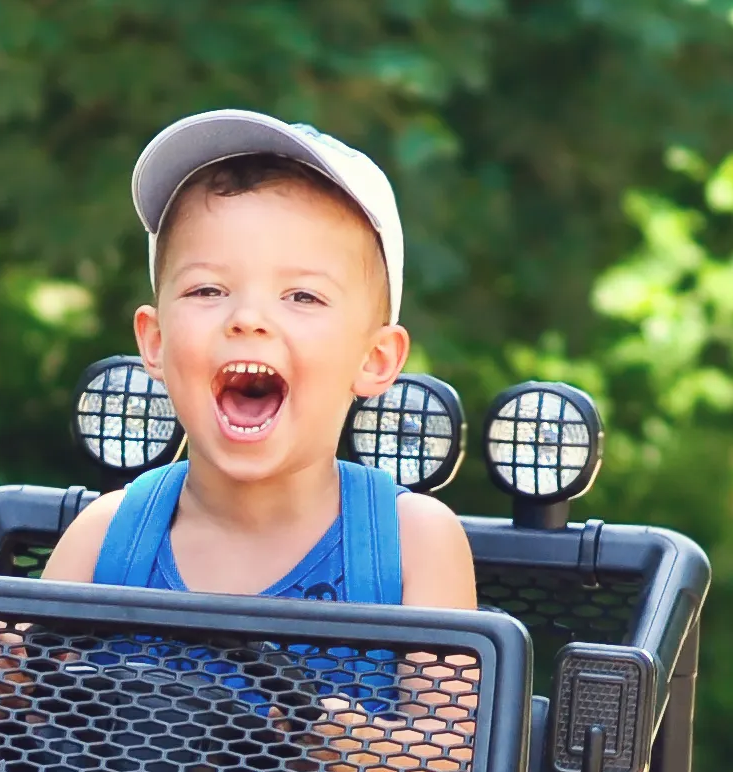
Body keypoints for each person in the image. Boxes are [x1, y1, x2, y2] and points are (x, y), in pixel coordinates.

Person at [43, 110, 481, 613]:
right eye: (208, 289)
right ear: (156, 341)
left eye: (302, 296)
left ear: (374, 359)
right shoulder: (107, 538)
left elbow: (445, 697)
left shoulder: (411, 545)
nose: (248, 318)